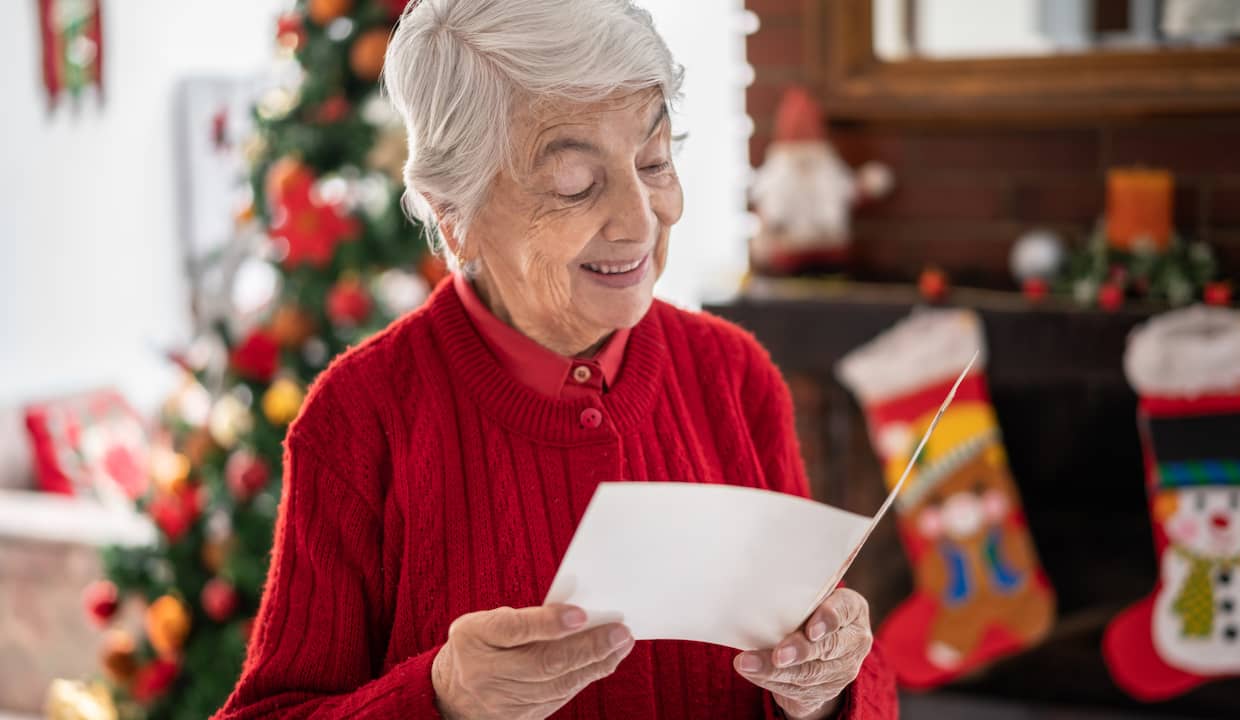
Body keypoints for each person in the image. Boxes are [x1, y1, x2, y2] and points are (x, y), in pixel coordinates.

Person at [216, 1, 897, 717]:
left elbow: (838, 674)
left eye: (654, 162)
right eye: (576, 183)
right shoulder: (359, 420)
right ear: (457, 216)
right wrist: (442, 698)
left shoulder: (733, 376)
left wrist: (828, 688)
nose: (641, 221)